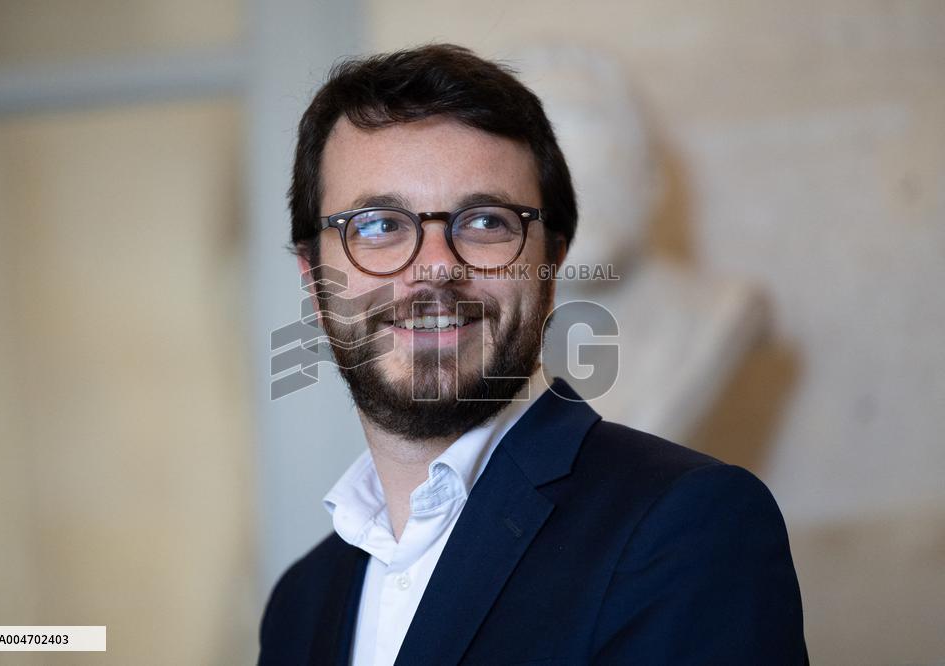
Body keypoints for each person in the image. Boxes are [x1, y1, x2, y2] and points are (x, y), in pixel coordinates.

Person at [259, 44, 807, 665]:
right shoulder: (299, 606)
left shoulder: (689, 527)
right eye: (379, 225)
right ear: (312, 275)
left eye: (486, 221)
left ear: (551, 263)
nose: (436, 265)